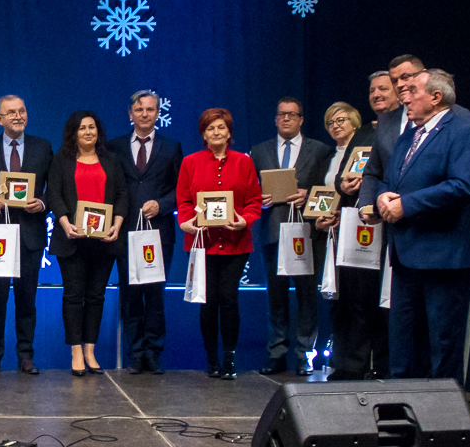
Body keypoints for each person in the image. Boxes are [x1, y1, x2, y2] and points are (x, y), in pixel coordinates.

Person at [375, 69, 470, 381]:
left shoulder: (464, 132)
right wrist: (382, 197)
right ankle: (401, 404)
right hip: (405, 254)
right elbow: (389, 179)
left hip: (444, 256)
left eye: (412, 91)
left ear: (436, 97)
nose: (404, 98)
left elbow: (463, 186)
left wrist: (406, 205)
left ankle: (443, 411)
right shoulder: (408, 135)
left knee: (442, 343)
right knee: (402, 342)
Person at [177, 109, 262, 379]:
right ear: (203, 134)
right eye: (210, 128)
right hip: (202, 243)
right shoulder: (190, 162)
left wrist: (245, 220)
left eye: (221, 127)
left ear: (229, 133)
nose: (216, 132)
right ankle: (211, 359)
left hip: (235, 243)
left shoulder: (244, 162)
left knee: (228, 299)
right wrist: (187, 221)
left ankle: (229, 359)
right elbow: (184, 201)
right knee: (208, 301)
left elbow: (254, 201)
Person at [250, 97, 332, 376]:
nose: (286, 118)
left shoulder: (319, 150)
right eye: (282, 114)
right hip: (273, 231)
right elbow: (249, 190)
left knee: (308, 297)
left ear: (301, 120)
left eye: (292, 114)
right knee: (276, 297)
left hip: (306, 233)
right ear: (275, 119)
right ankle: (276, 353)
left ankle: (304, 355)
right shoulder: (259, 150)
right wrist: (259, 200)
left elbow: (327, 188)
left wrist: (309, 195)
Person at [0, 95, 53, 375]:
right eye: (11, 113)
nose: (18, 116)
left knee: (27, 299)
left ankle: (26, 356)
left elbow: (55, 187)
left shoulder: (43, 147)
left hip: (30, 233)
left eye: (22, 111)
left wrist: (42, 203)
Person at [46, 111, 127, 377]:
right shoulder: (61, 160)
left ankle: (90, 350)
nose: (88, 132)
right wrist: (65, 223)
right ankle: (76, 351)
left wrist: (116, 224)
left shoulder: (111, 160)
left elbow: (122, 194)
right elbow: (54, 194)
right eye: (82, 128)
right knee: (73, 296)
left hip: (103, 241)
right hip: (72, 240)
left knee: (96, 296)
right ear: (74, 133)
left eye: (92, 127)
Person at [312, 101, 388, 380]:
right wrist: (321, 216)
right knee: (339, 299)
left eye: (341, 120)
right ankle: (344, 362)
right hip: (335, 231)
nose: (336, 126)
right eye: (330, 122)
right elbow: (324, 191)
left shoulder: (372, 143)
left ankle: (365, 363)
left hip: (365, 228)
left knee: (362, 299)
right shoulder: (328, 155)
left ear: (355, 122)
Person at [113, 90, 182, 375]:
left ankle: (153, 352)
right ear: (130, 114)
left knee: (154, 295)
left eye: (150, 109)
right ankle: (136, 353)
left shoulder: (172, 147)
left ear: (158, 113)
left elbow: (181, 190)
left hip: (159, 232)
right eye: (139, 110)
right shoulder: (114, 147)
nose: (144, 114)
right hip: (125, 231)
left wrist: (162, 205)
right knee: (130, 295)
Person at [360, 54, 470, 217]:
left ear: (424, 75)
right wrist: (375, 201)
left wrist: (405, 204)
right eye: (394, 80)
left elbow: (461, 183)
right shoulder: (391, 125)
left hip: (439, 222)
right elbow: (376, 173)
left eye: (406, 77)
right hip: (396, 225)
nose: (400, 84)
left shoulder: (458, 117)